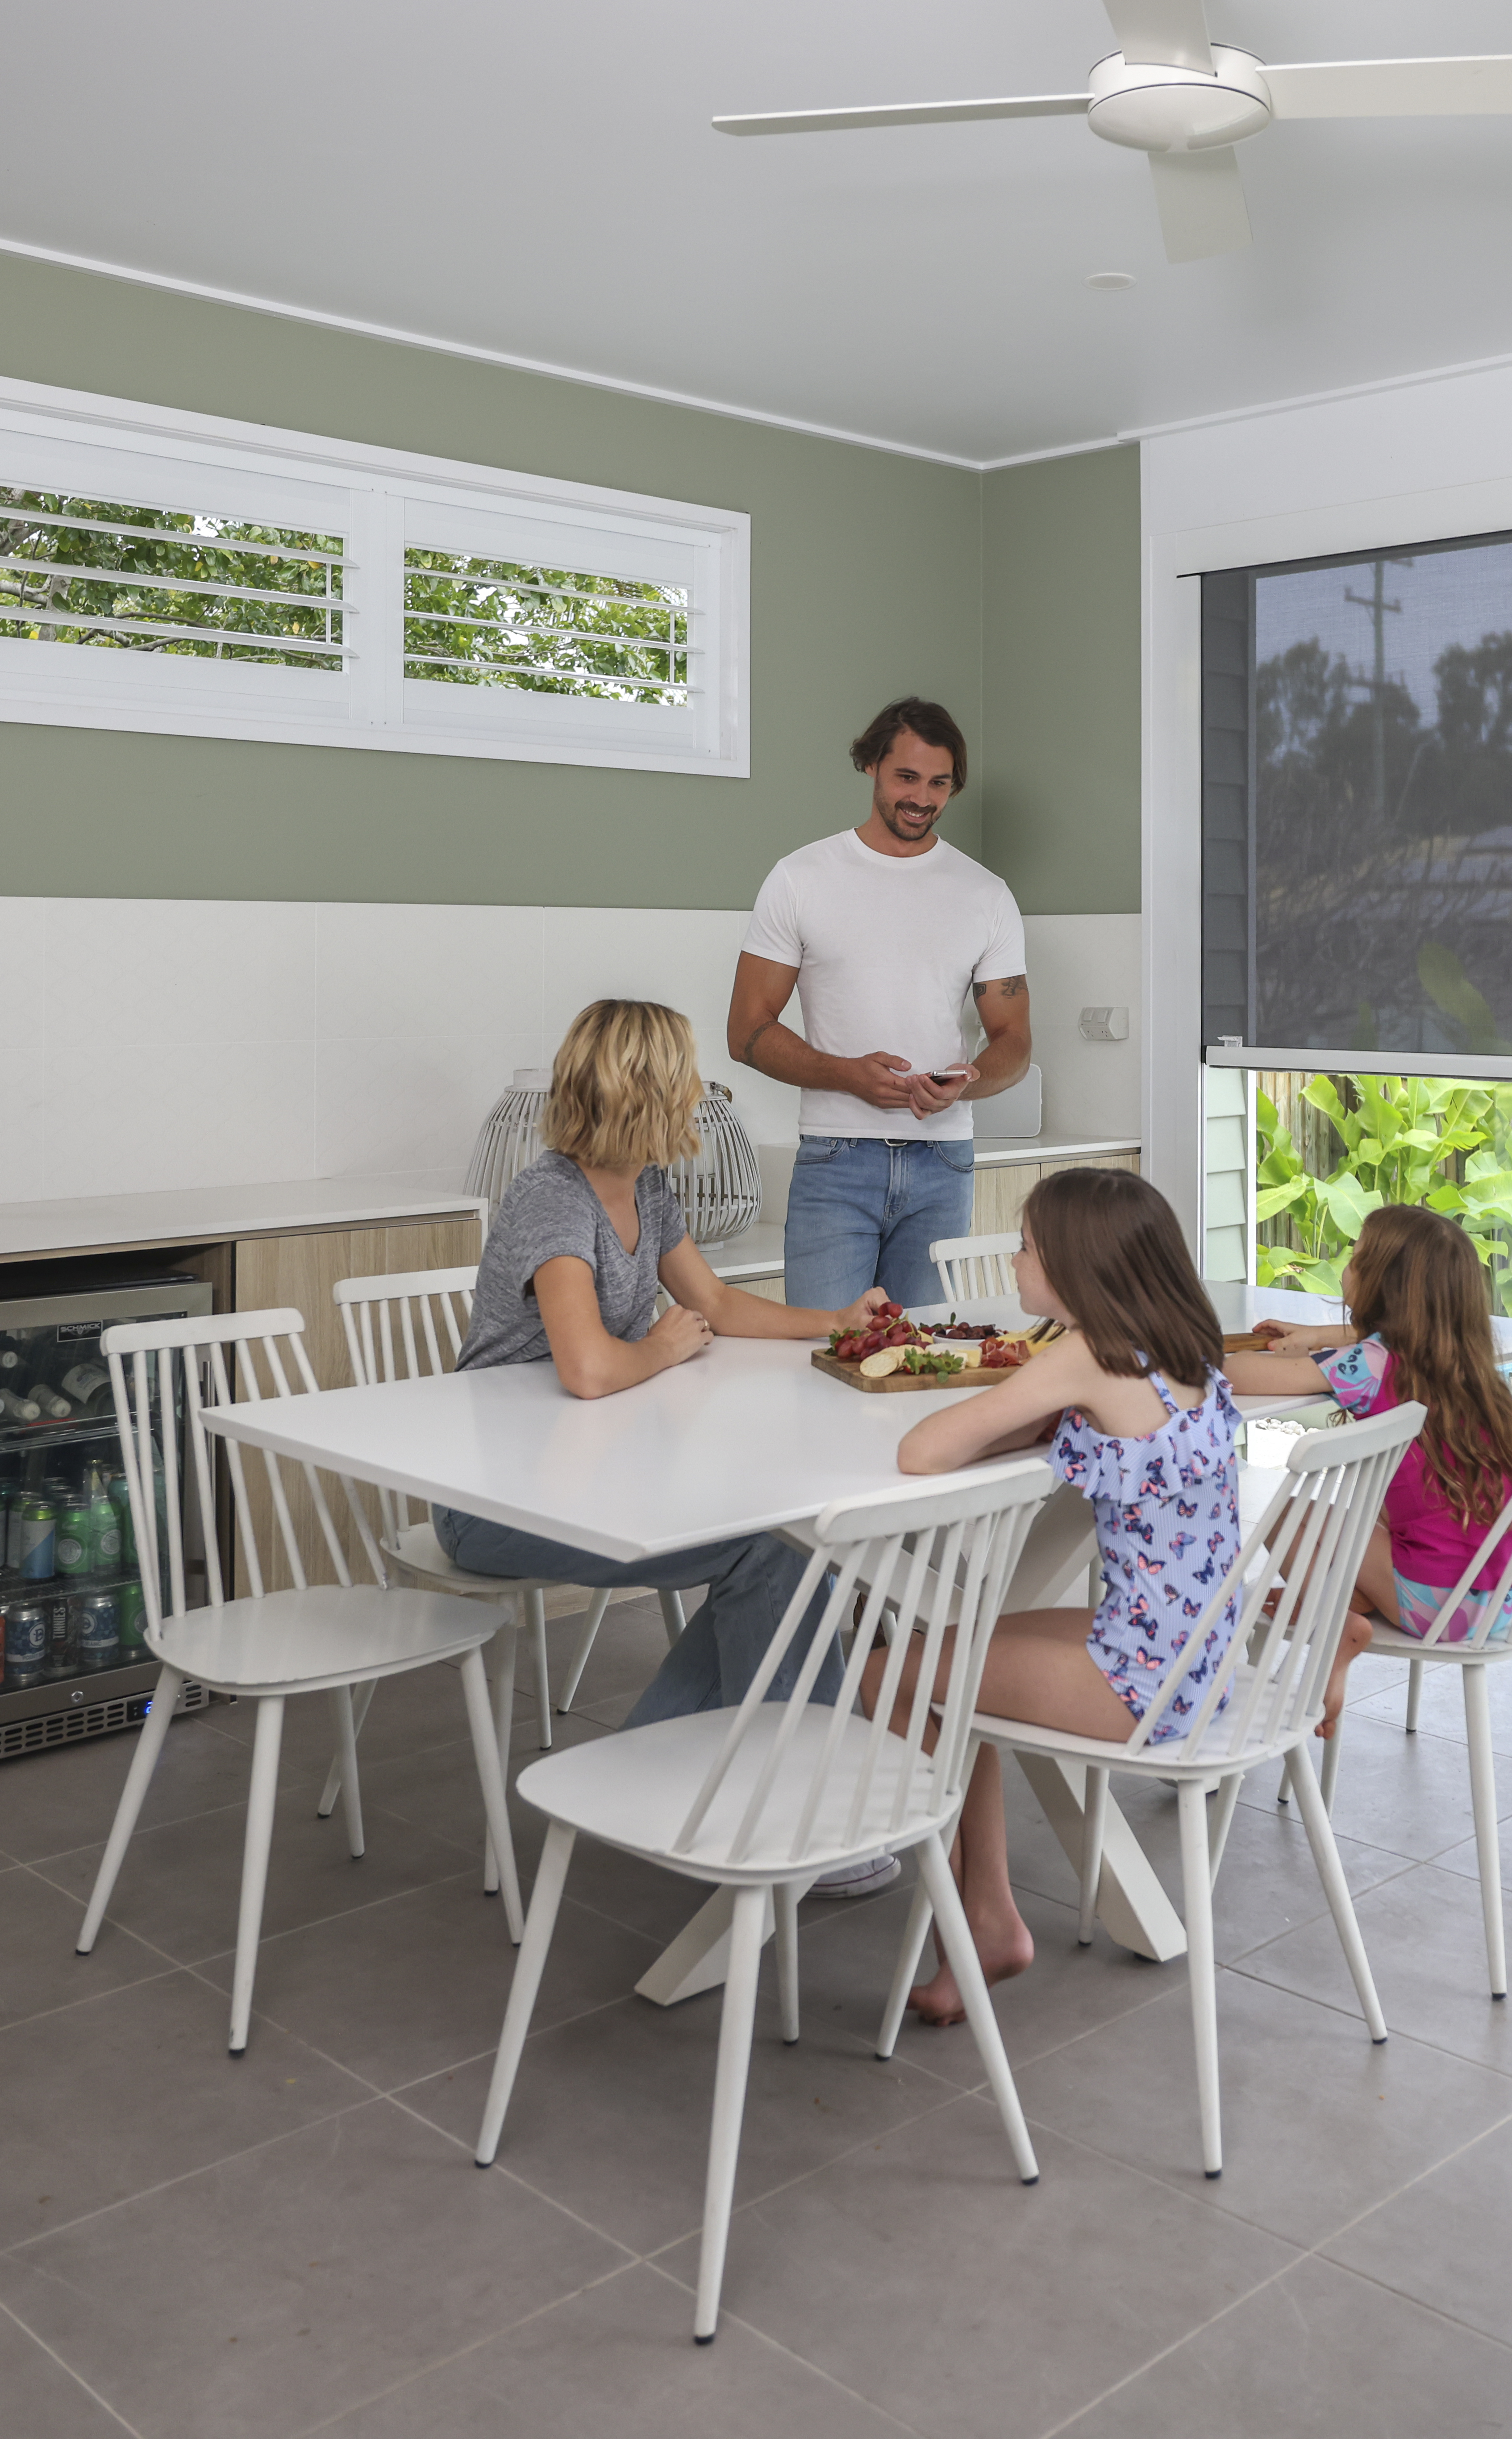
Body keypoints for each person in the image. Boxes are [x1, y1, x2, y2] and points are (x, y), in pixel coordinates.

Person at [433, 999, 893, 1729]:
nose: (699, 1090)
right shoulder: (552, 1197)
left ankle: (661, 1767)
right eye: (688, 1074)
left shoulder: (646, 1185)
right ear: (648, 1091)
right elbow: (587, 1369)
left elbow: (713, 1299)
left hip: (586, 1475)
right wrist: (663, 1345)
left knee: (781, 1542)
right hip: (494, 1501)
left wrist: (832, 1322)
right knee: (772, 1547)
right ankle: (805, 1800)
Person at [885, 1168, 1241, 2026]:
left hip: (1134, 1681)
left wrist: (1021, 1408)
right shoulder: (1181, 1344)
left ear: (1076, 1268)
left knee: (888, 1674)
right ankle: (987, 1911)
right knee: (965, 1645)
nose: (1012, 1262)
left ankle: (975, 1916)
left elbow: (922, 1453)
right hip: (1198, 1661)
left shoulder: (1083, 1354)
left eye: (1025, 1247)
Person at [728, 697, 1032, 1312]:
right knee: (824, 1356)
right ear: (871, 765)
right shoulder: (801, 878)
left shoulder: (987, 894)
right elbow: (747, 1031)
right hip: (837, 1157)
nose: (922, 797)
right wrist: (847, 1075)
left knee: (924, 1359)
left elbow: (1015, 1043)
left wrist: (965, 1084)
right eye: (907, 777)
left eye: (940, 783)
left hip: (944, 1163)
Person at [1224, 1204, 1512, 1738]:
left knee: (1288, 1516)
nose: (1346, 1265)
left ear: (1382, 1287)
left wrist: (1176, 1345)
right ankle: (1350, 1597)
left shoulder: (1371, 1366)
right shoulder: (1467, 1366)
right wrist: (1318, 1335)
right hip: (1500, 1597)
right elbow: (1378, 1343)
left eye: (1356, 1257)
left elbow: (1240, 1372)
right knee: (1369, 1524)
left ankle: (1334, 1627)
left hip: (1434, 1605)